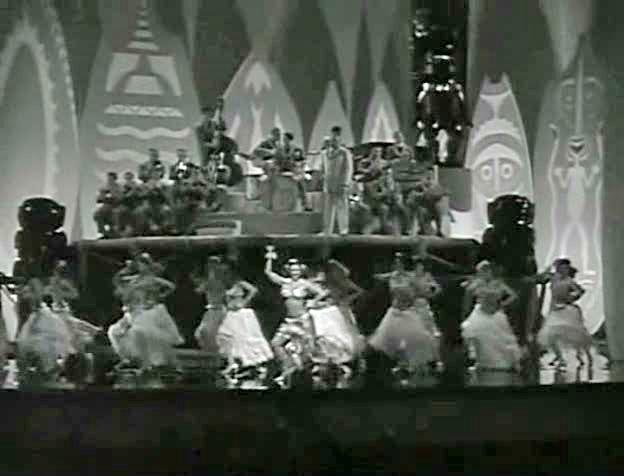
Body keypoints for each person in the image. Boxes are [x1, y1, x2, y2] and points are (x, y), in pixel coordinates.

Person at [107, 253, 184, 371]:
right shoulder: (134, 279)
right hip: (133, 312)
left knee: (139, 331)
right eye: (139, 264)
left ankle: (147, 363)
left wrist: (160, 296)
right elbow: (118, 282)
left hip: (147, 311)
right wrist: (126, 269)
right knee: (114, 331)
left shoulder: (152, 279)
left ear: (148, 265)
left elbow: (170, 286)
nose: (141, 266)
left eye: (143, 264)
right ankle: (128, 359)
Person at [264, 247, 326, 387]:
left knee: (307, 349)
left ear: (301, 271)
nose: (295, 272)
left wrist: (313, 302)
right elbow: (268, 273)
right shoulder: (285, 282)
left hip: (302, 320)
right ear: (289, 271)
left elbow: (322, 293)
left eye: (297, 270)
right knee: (275, 343)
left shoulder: (305, 283)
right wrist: (269, 257)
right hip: (289, 321)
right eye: (292, 270)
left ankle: (304, 376)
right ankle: (287, 367)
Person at [368, 253, 440, 371]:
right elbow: (382, 277)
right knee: (390, 340)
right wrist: (375, 276)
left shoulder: (411, 277)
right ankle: (399, 364)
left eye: (399, 263)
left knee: (416, 339)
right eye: (395, 263)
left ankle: (422, 363)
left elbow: (422, 291)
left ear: (404, 264)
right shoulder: (393, 276)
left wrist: (426, 290)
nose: (396, 265)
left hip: (408, 313)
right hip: (394, 312)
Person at [461, 261, 522, 371]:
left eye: (486, 271)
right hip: (480, 313)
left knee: (501, 337)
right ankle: (476, 358)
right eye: (482, 271)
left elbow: (513, 295)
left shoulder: (498, 283)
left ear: (490, 272)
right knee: (471, 332)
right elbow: (468, 294)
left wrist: (503, 304)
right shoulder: (477, 283)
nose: (484, 273)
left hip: (495, 313)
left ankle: (506, 360)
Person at [537, 258, 593, 369]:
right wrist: (546, 271)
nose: (563, 270)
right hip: (555, 310)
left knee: (576, 334)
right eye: (560, 267)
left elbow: (580, 291)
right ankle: (560, 358)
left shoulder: (569, 281)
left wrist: (572, 297)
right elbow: (541, 279)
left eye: (565, 268)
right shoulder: (553, 278)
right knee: (550, 334)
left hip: (567, 310)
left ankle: (584, 355)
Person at [216, 271, 273, 373]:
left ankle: (255, 363)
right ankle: (232, 362)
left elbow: (253, 290)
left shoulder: (240, 284)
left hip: (242, 315)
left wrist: (245, 301)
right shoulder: (224, 285)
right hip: (231, 314)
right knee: (225, 336)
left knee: (246, 338)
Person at [16, 278, 74, 376]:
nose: (27, 295)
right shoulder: (29, 321)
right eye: (26, 291)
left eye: (31, 290)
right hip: (32, 370)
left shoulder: (51, 319)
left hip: (48, 369)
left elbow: (64, 342)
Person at [192, 256, 232, 354]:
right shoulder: (213, 280)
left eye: (213, 264)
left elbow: (200, 290)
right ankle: (212, 352)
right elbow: (200, 290)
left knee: (209, 333)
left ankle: (217, 353)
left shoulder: (217, 281)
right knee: (203, 333)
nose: (210, 266)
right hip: (213, 310)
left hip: (218, 310)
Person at [321, 126, 353, 235]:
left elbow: (348, 169)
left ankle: (343, 230)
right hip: (329, 183)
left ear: (339, 139)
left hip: (340, 183)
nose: (333, 140)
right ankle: (327, 230)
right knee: (328, 208)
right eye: (332, 138)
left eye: (335, 138)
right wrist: (323, 179)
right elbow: (323, 168)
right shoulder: (325, 153)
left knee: (341, 207)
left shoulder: (345, 153)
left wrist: (345, 183)